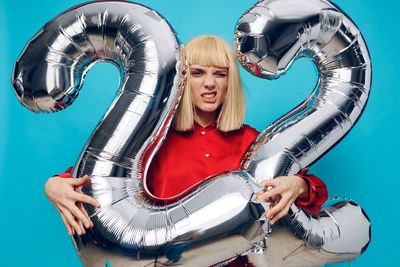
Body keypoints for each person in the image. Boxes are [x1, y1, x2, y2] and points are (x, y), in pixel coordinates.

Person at [45, 35, 328, 266]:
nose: (209, 84)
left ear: (230, 82)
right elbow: (92, 181)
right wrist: (54, 185)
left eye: (220, 74)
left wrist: (298, 185)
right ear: (182, 80)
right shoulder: (152, 139)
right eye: (198, 73)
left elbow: (312, 192)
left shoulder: (250, 140)